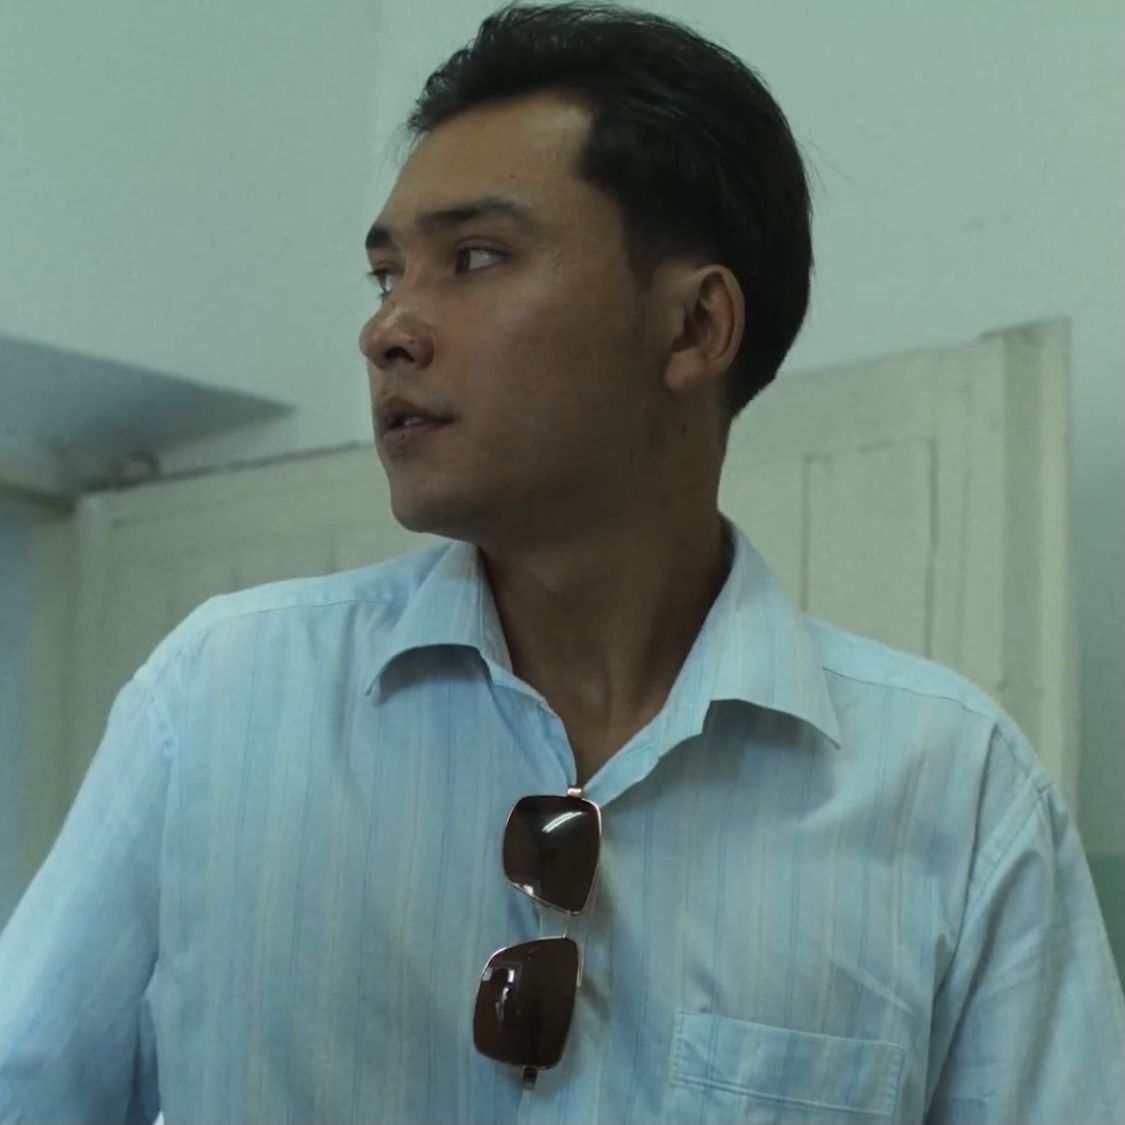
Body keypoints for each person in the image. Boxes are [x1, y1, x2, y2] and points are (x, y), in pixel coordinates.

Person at [2, 2, 1123, 1121]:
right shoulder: (221, 702)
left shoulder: (952, 791)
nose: (387, 330)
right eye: (387, 274)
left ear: (694, 327)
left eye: (475, 257)